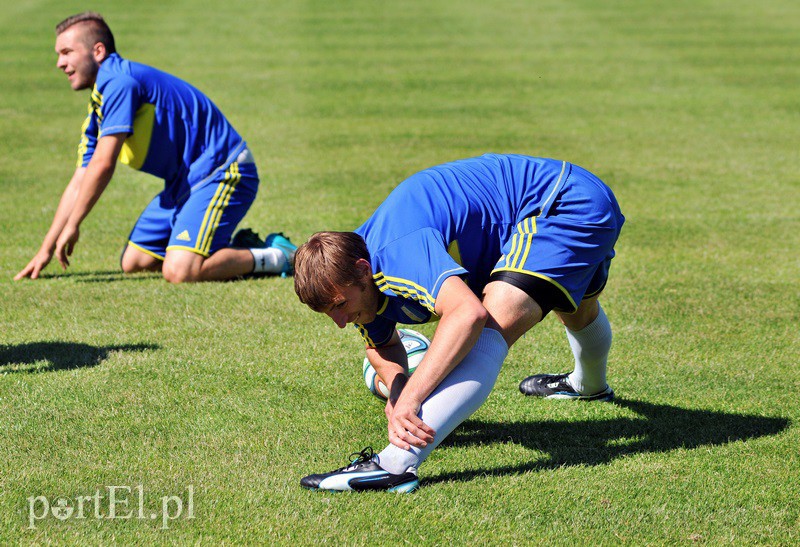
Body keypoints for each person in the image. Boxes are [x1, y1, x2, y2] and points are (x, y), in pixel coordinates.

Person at [293, 153, 624, 492]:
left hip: (560, 204)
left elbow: (468, 315)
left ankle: (395, 465)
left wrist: (412, 399)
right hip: (567, 197)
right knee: (577, 305)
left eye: (340, 306)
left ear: (364, 270)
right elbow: (382, 344)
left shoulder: (396, 254)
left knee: (493, 325)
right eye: (328, 313)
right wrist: (398, 388)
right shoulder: (355, 270)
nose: (339, 322)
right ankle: (590, 385)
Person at [14, 12, 295, 283]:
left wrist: (74, 224)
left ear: (97, 51)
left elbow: (102, 165)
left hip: (224, 171)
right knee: (135, 262)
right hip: (184, 183)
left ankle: (278, 256)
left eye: (66, 52)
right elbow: (81, 178)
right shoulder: (99, 105)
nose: (59, 63)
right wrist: (46, 248)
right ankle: (233, 247)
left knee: (180, 272)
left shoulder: (120, 83)